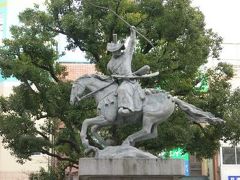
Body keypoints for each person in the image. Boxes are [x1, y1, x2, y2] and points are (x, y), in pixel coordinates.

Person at [107, 26, 146, 116]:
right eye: (114, 51)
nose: (116, 52)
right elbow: (111, 76)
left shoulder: (126, 55)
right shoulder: (109, 65)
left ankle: (128, 108)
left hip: (129, 82)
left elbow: (131, 43)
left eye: (117, 50)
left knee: (123, 89)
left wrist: (133, 33)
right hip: (118, 83)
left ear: (120, 49)